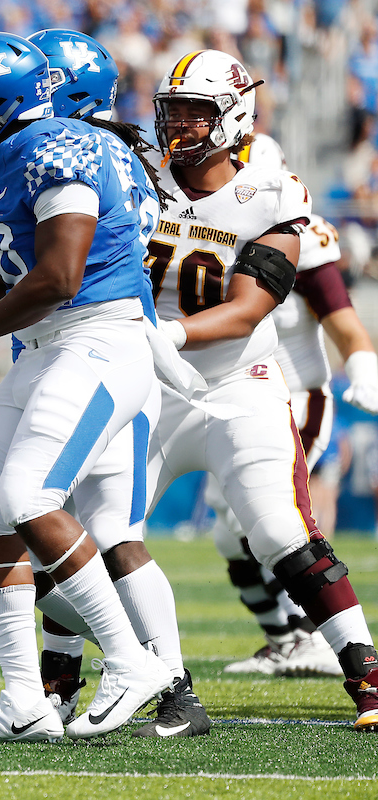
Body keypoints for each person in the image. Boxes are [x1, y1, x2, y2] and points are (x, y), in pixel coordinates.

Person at [0, 31, 172, 742]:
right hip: (53, 345)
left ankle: (135, 662)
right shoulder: (13, 149)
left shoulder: (54, 147)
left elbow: (59, 277)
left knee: (28, 498)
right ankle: (24, 699)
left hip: (98, 338)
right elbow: (29, 267)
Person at [140, 50, 378, 731]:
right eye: (173, 110)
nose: (181, 126)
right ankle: (60, 681)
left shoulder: (273, 195)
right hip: (150, 387)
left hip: (244, 381)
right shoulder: (136, 179)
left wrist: (360, 358)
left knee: (274, 527)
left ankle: (365, 674)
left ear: (237, 122)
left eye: (198, 112)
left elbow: (286, 308)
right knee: (85, 533)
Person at [0, 28, 208, 738]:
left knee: (89, 526)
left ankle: (166, 680)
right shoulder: (102, 149)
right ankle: (70, 682)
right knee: (80, 528)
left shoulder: (72, 154)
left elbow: (68, 269)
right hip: (89, 349)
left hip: (98, 350)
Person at [205, 133, 378, 678]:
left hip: (294, 395)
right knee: (226, 531)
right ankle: (288, 636)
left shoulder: (300, 237)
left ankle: (329, 641)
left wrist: (364, 368)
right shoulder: (201, 225)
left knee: (266, 524)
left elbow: (346, 326)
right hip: (231, 393)